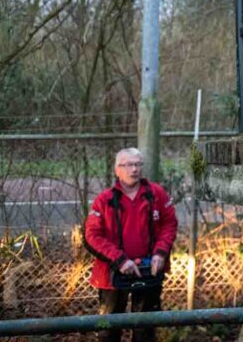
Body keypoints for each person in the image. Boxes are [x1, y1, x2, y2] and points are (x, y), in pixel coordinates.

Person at [84, 147, 178, 342]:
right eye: (127, 165)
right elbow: (92, 236)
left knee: (145, 328)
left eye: (137, 164)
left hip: (148, 271)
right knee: (107, 328)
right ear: (117, 170)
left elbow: (170, 223)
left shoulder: (157, 194)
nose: (133, 169)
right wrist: (120, 260)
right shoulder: (105, 200)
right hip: (111, 275)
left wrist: (160, 253)